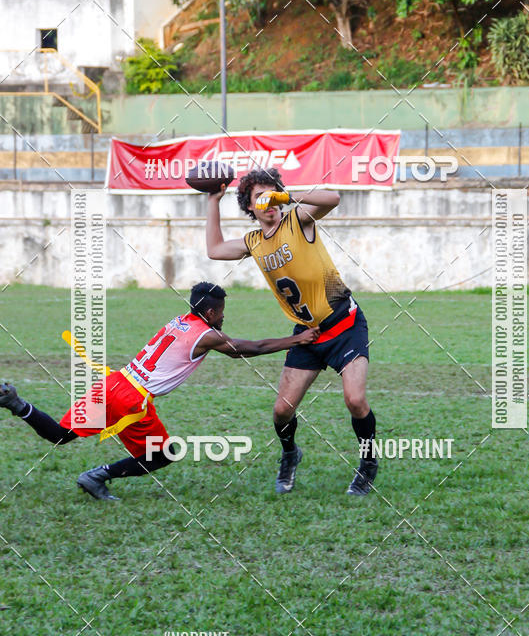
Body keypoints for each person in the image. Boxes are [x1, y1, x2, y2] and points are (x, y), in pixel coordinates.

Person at [0, 281, 318, 500]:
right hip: (132, 398)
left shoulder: (179, 321)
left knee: (60, 434)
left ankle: (16, 403)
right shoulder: (206, 334)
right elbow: (250, 347)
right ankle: (96, 476)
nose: (223, 316)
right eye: (220, 311)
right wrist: (296, 340)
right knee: (163, 454)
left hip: (115, 382)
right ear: (210, 313)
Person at [206, 168, 378, 496]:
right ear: (249, 206)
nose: (269, 202)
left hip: (345, 325)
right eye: (260, 197)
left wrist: (287, 194)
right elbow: (214, 249)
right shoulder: (253, 242)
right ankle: (289, 454)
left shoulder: (298, 220)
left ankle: (368, 462)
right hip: (307, 334)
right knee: (282, 410)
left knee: (355, 400)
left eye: (273, 194)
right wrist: (213, 200)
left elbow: (333, 198)